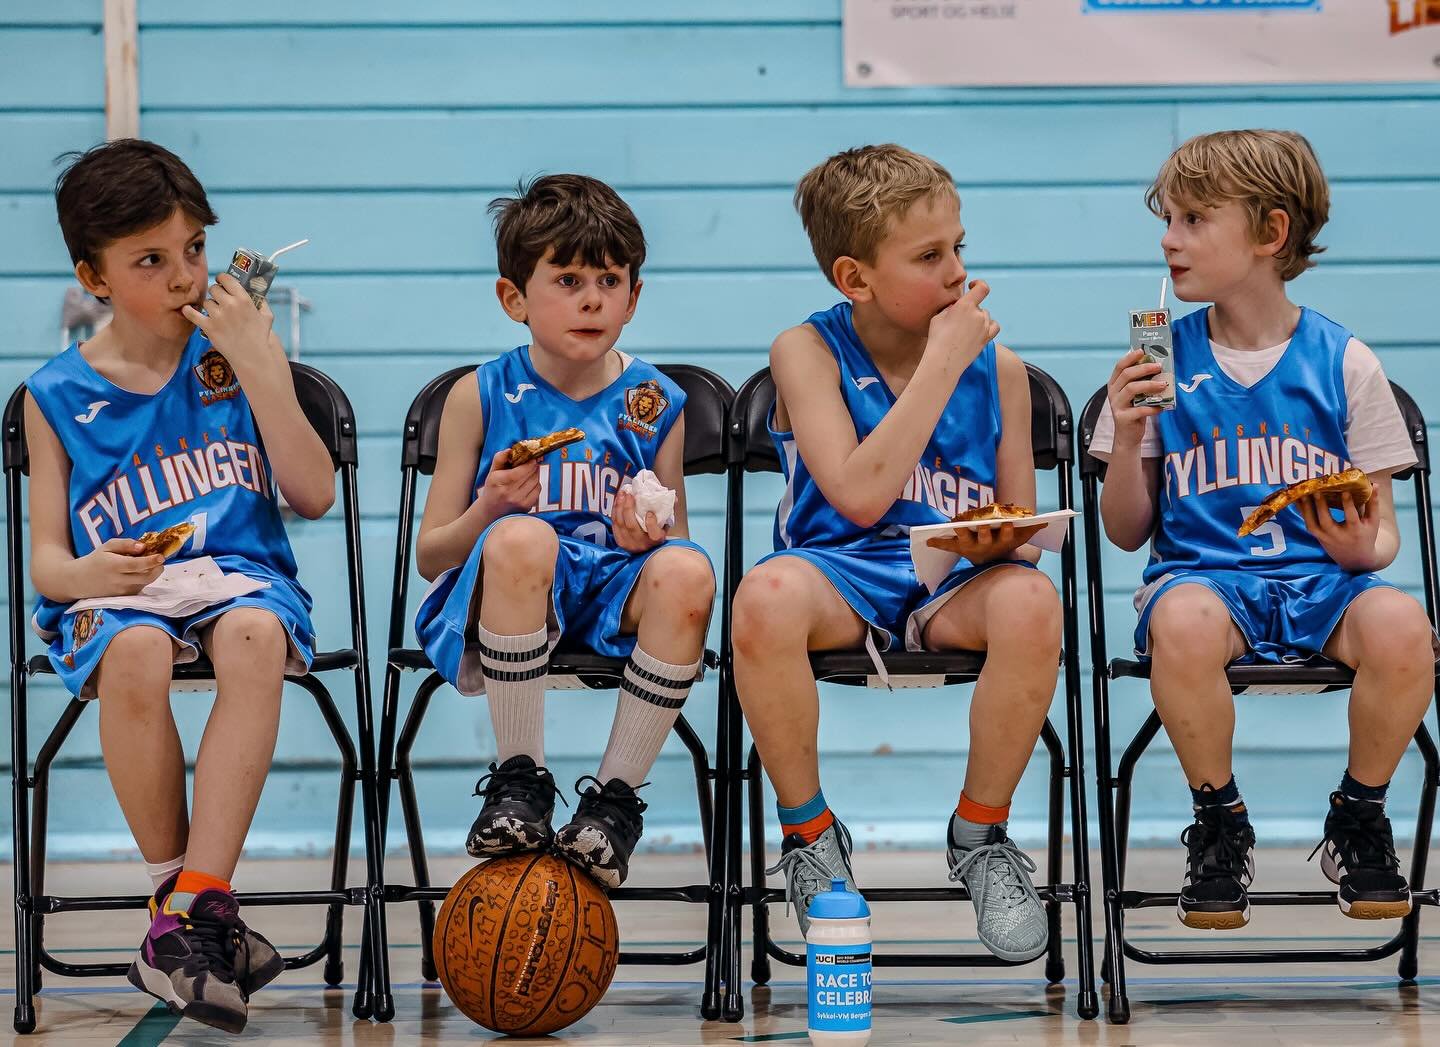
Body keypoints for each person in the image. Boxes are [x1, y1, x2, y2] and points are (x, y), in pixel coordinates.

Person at [1090, 129, 1437, 929]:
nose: (1169, 238)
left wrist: (1362, 549)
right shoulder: (1159, 362)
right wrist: (1133, 434)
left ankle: (1359, 813)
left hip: (1324, 583)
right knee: (1179, 620)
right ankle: (1219, 818)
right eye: (1167, 218)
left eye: (1194, 219)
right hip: (1205, 583)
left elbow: (1380, 535)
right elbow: (1125, 530)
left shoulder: (1345, 361)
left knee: (1402, 622)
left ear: (1270, 234)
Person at [27, 139, 335, 1031]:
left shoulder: (234, 358)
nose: (184, 276)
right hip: (118, 593)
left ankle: (192, 904)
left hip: (241, 578)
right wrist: (89, 572)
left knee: (252, 635)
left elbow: (312, 492)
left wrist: (262, 363)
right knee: (131, 646)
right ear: (93, 276)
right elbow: (48, 561)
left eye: (194, 249)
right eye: (151, 261)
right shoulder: (52, 396)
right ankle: (186, 906)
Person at [730, 144, 1060, 962]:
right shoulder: (804, 351)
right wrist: (944, 363)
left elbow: (1022, 531)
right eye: (928, 256)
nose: (956, 272)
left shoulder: (1004, 370)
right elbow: (859, 494)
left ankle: (980, 836)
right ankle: (811, 837)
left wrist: (1001, 537)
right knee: (762, 597)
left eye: (959, 249)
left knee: (1031, 601)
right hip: (838, 573)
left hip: (949, 584)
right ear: (855, 278)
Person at [414, 174, 715, 889]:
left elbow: (679, 543)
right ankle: (520, 782)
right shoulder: (480, 394)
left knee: (691, 570)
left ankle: (611, 805)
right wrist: (487, 510)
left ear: (634, 297)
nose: (592, 298)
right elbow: (431, 556)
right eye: (569, 278)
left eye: (610, 280)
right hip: (508, 591)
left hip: (610, 595)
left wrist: (651, 540)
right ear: (513, 298)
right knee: (523, 538)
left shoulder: (655, 402)